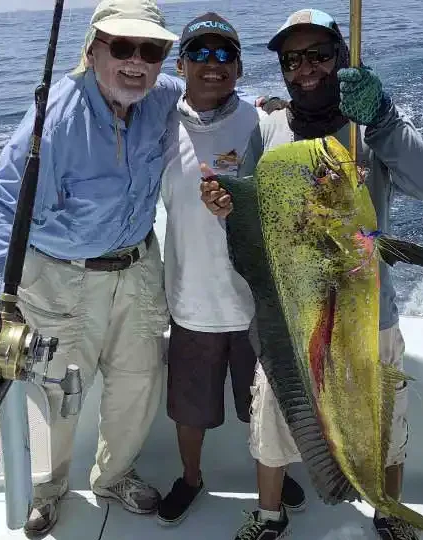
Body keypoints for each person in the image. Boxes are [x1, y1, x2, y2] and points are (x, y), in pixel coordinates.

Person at [200, 8, 423, 540]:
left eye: (318, 55)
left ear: (342, 57)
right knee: (272, 415)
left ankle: (390, 512)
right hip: (293, 310)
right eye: (293, 59)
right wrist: (225, 202)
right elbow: (253, 203)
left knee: (382, 415)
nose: (305, 67)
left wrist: (379, 116)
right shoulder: (272, 128)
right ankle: (269, 515)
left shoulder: (372, 124)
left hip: (365, 305)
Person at [0, 0, 183, 536]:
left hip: (137, 269)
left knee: (139, 383)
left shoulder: (162, 97)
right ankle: (47, 486)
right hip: (60, 277)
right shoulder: (55, 118)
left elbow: (219, 97)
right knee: (57, 389)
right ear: (92, 50)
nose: (136, 62)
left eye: (150, 50)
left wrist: (277, 109)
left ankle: (114, 475)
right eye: (122, 47)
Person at [156, 12, 306, 527]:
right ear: (183, 65)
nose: (213, 65)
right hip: (189, 300)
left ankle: (276, 476)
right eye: (201, 53)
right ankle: (191, 478)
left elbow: (290, 204)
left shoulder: (266, 122)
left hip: (255, 303)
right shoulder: (160, 126)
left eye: (225, 55)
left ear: (240, 68)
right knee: (189, 411)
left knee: (263, 407)